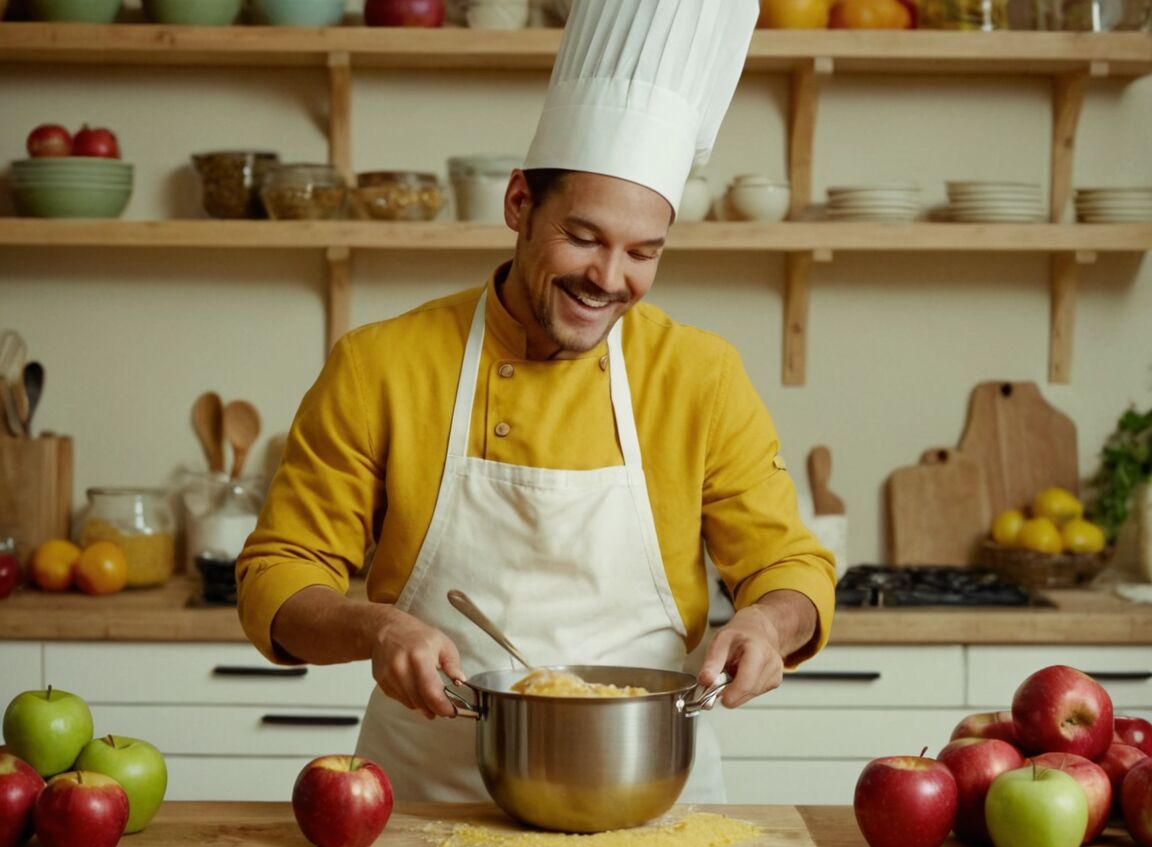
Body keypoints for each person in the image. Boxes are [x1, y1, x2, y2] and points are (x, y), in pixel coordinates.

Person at [236, 0, 835, 803]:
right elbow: (277, 576)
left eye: (642, 253)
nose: (609, 278)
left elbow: (790, 566)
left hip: (648, 791)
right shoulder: (380, 365)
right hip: (428, 789)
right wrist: (377, 628)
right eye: (584, 237)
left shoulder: (699, 375)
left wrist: (769, 623)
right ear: (519, 203)